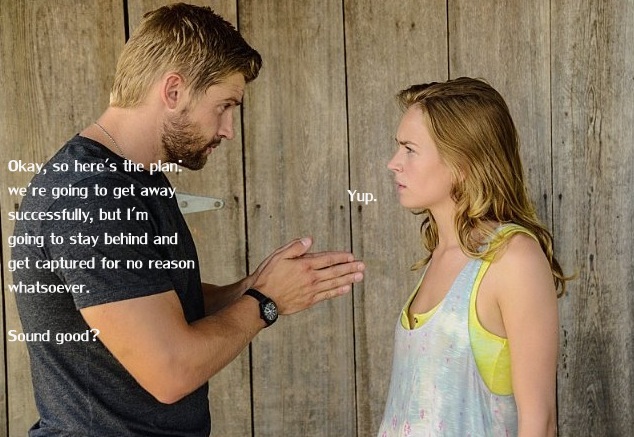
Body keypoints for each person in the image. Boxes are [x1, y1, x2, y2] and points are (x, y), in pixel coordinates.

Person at [11, 3, 365, 436]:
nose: (228, 128)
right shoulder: (91, 195)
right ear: (174, 91)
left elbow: (157, 301)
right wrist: (265, 302)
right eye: (224, 106)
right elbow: (170, 371)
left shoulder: (134, 179)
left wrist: (252, 286)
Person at [378, 77, 568, 436]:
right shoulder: (441, 254)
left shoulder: (512, 259)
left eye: (410, 149)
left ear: (461, 163)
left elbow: (540, 423)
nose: (393, 163)